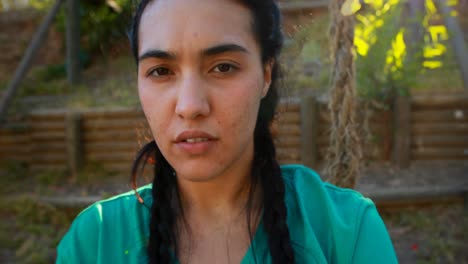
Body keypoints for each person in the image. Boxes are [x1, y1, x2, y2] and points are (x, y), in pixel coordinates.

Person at [56, 0, 398, 263]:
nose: (190, 105)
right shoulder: (94, 243)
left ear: (266, 75)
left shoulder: (346, 232)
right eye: (161, 71)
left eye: (223, 67)